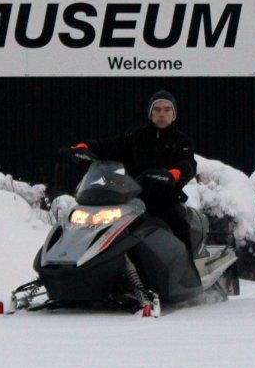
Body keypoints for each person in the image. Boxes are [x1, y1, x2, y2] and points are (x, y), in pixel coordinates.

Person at [59, 90, 197, 249]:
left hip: (164, 200)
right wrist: (85, 147)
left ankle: (188, 269)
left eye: (167, 109)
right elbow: (108, 145)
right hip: (131, 198)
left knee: (178, 223)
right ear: (150, 114)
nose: (162, 114)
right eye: (157, 109)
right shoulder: (136, 137)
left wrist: (174, 173)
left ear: (174, 115)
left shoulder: (181, 141)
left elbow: (188, 162)